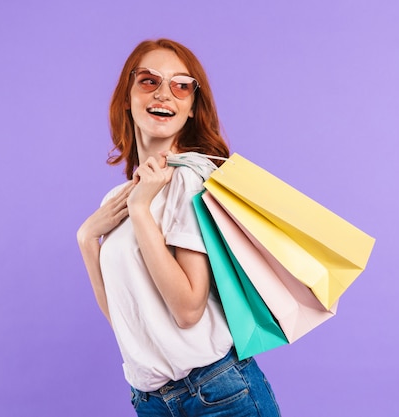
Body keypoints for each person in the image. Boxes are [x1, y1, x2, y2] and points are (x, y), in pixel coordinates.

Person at [77, 38, 282, 416]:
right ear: (127, 95)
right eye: (149, 81)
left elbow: (188, 310)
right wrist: (88, 240)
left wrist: (141, 212)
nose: (164, 94)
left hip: (217, 393)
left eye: (181, 85)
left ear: (191, 108)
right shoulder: (116, 200)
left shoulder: (189, 181)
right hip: (152, 401)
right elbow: (128, 321)